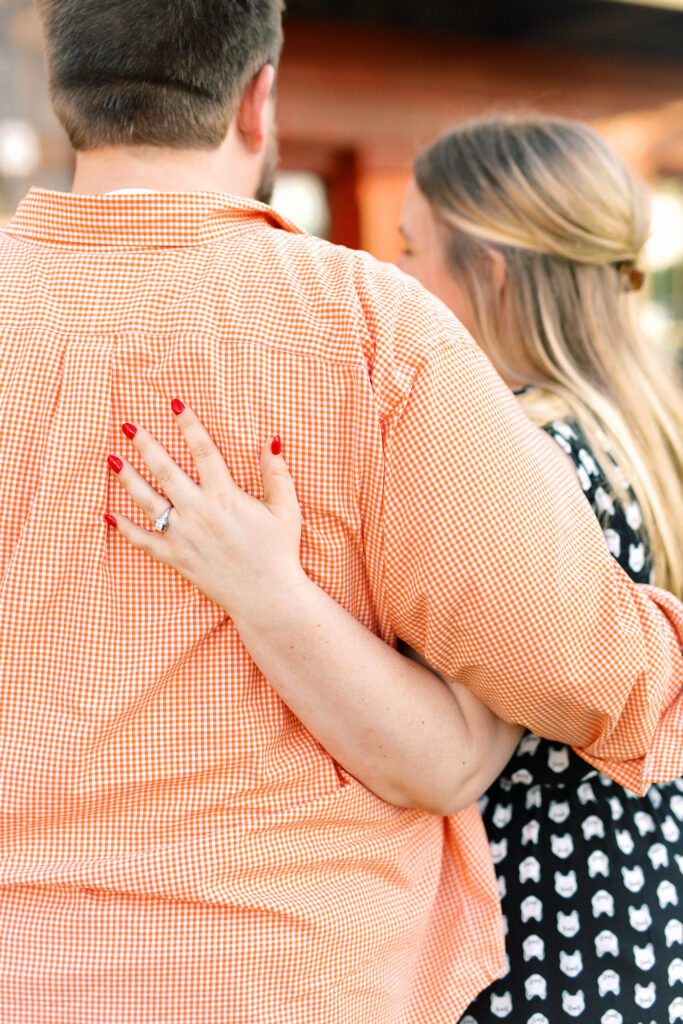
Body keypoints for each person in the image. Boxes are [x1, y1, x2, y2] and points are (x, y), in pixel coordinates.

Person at [0, 0, 682, 1014]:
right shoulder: (371, 329)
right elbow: (583, 669)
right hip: (285, 980)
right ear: (256, 97)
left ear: (67, 93)